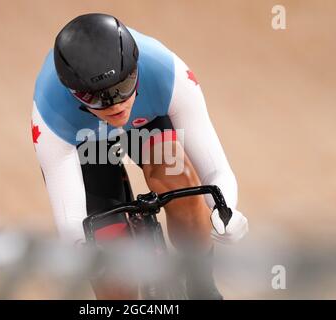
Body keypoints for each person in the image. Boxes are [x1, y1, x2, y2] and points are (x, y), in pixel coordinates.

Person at [31, 13, 248, 299]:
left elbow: (215, 172)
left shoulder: (167, 71)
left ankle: (201, 286)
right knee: (106, 244)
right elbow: (73, 225)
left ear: (137, 68)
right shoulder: (50, 111)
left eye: (123, 87)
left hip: (145, 123)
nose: (115, 106)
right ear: (72, 92)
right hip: (85, 142)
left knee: (179, 179)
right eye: (96, 97)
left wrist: (225, 209)